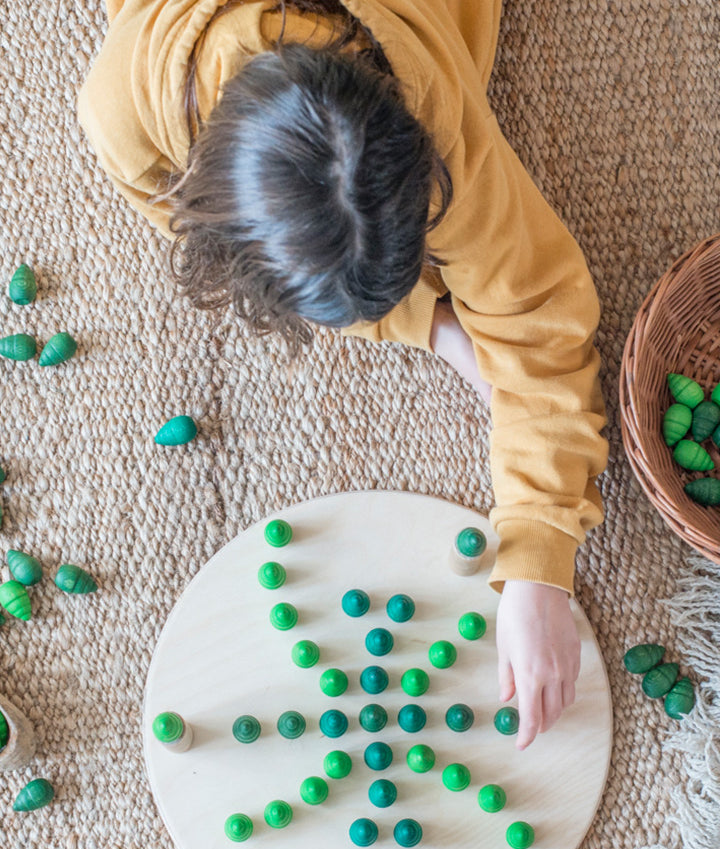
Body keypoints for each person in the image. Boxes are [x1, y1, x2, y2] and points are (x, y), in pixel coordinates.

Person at [78, 0, 608, 750]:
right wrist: (434, 323)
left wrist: (539, 559)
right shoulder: (127, 118)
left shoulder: (439, 119)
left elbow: (540, 315)